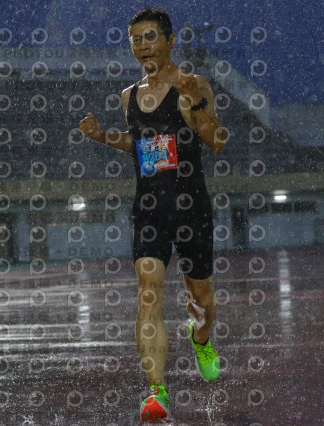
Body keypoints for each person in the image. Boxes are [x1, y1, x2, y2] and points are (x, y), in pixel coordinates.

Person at [79, 7, 227, 423]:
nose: (142, 46)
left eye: (150, 37)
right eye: (135, 39)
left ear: (170, 41)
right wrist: (102, 136)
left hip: (192, 207)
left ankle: (201, 339)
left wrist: (195, 103)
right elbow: (139, 142)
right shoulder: (129, 96)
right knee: (148, 293)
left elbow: (217, 139)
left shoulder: (194, 84)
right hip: (149, 210)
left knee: (202, 299)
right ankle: (156, 391)